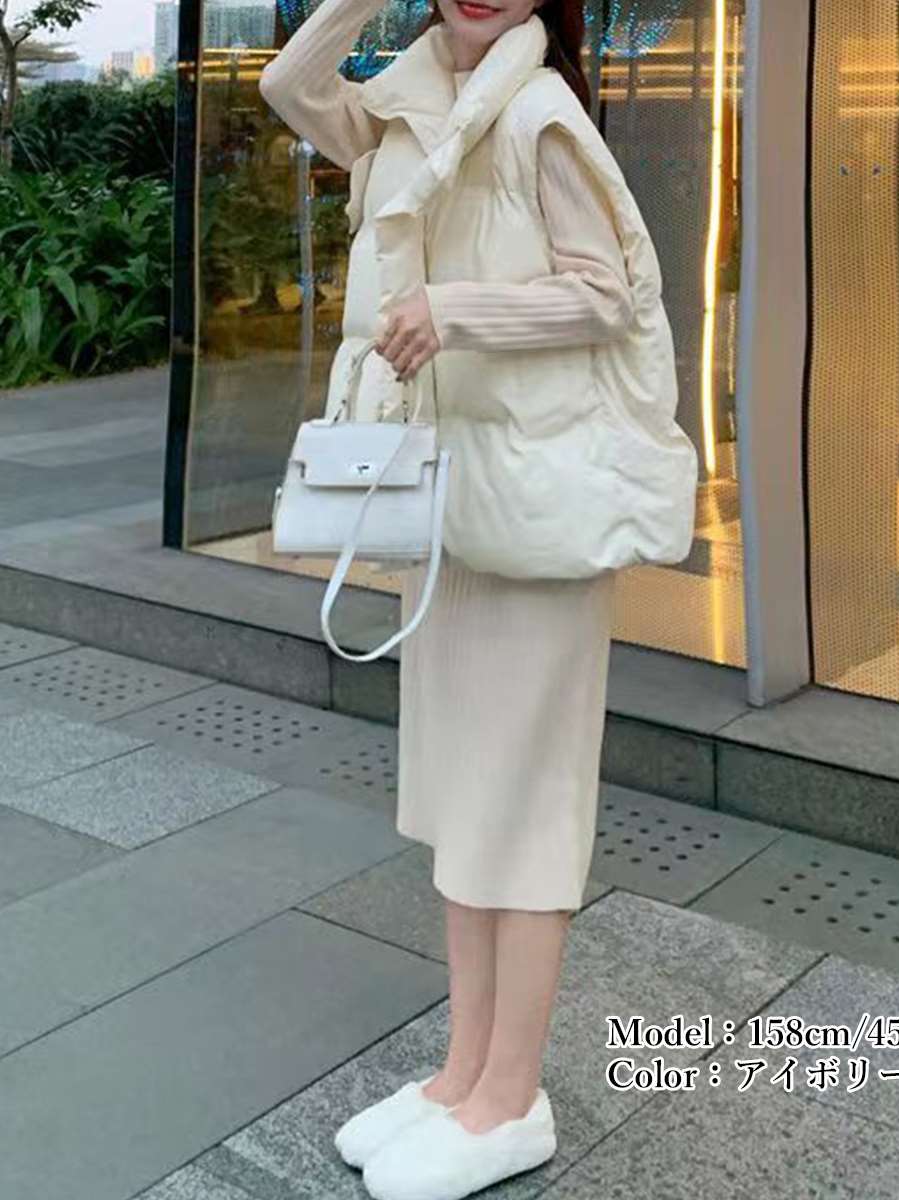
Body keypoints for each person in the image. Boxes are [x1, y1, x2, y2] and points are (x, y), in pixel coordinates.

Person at [259, 0, 696, 1195]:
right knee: (461, 799)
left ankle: (512, 1097)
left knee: (525, 807)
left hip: (536, 513)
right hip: (455, 504)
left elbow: (610, 293)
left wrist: (453, 312)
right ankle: (464, 1075)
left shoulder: (539, 113)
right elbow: (290, 87)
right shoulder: (407, 108)